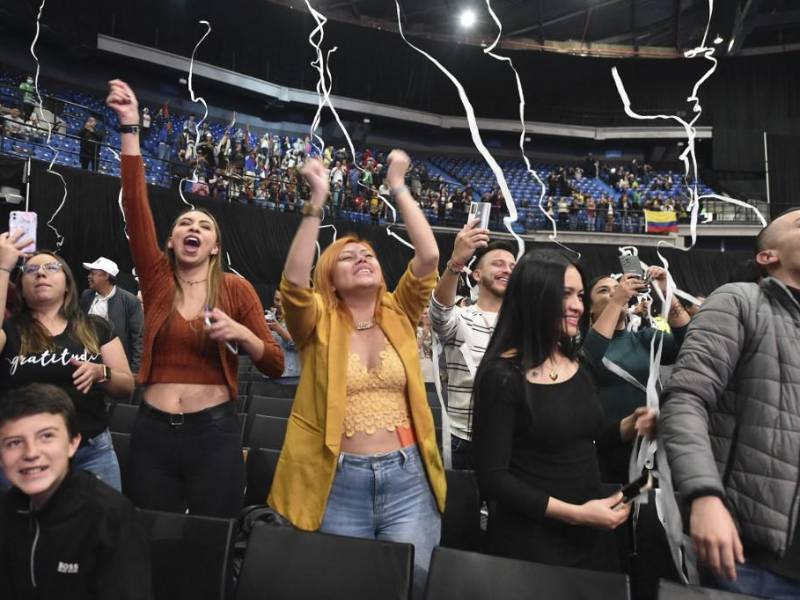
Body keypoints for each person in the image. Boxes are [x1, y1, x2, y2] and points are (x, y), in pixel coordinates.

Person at [269, 149, 445, 597]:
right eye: (348, 258)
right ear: (329, 277)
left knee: (412, 588)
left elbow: (427, 257)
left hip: (408, 480)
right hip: (337, 480)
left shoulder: (401, 311)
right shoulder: (314, 323)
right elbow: (293, 284)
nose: (362, 258)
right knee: (343, 589)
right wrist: (318, 198)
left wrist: (399, 187)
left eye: (368, 254)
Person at [106, 79, 284, 517]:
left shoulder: (236, 289)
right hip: (152, 433)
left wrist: (242, 333)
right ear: (169, 241)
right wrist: (130, 127)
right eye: (185, 224)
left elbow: (275, 364)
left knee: (210, 540)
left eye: (204, 227)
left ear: (215, 247)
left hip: (215, 433)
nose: (193, 229)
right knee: (151, 537)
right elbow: (134, 203)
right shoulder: (155, 278)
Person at [472, 251, 656, 572]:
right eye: (565, 294)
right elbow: (494, 479)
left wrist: (632, 424)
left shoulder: (578, 363)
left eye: (581, 295)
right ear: (533, 297)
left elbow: (585, 437)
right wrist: (577, 513)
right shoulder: (502, 376)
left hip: (592, 534)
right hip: (533, 546)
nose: (578, 306)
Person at [660, 208, 800, 597]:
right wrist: (704, 495)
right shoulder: (740, 301)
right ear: (767, 256)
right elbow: (686, 399)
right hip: (753, 558)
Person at [0, 241, 134, 491]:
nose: (40, 273)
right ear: (21, 289)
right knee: (22, 529)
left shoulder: (95, 327)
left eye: (51, 268)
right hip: (23, 454)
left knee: (101, 527)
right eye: (30, 270)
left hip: (91, 453)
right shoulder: (9, 331)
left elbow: (127, 386)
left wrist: (100, 372)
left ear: (67, 284)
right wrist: (3, 269)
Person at [0, 384, 152, 600]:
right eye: (14, 442)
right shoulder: (7, 511)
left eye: (46, 436)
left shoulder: (110, 516)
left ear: (73, 443)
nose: (31, 453)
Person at [580, 268, 689, 483]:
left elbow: (690, 343)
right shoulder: (579, 345)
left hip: (648, 452)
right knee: (614, 513)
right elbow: (589, 360)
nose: (615, 292)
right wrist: (618, 298)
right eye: (604, 290)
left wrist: (667, 293)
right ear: (589, 309)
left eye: (617, 288)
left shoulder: (643, 339)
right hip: (604, 455)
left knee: (646, 510)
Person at [429, 223, 515, 470]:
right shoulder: (461, 317)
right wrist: (455, 263)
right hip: (462, 440)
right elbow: (440, 314)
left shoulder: (523, 323)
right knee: (460, 508)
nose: (507, 270)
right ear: (476, 274)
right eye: (498, 263)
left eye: (512, 266)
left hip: (511, 442)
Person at [80, 257, 144, 374]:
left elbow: (138, 338)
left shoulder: (129, 301)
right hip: (88, 363)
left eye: (93, 273)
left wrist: (135, 371)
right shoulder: (86, 295)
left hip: (116, 366)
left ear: (106, 276)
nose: (89, 276)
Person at [266, 290, 299, 382]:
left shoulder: (297, 318)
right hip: (271, 372)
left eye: (283, 300)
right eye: (277, 300)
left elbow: (297, 346)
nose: (279, 303)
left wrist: (278, 328)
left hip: (290, 374)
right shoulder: (270, 316)